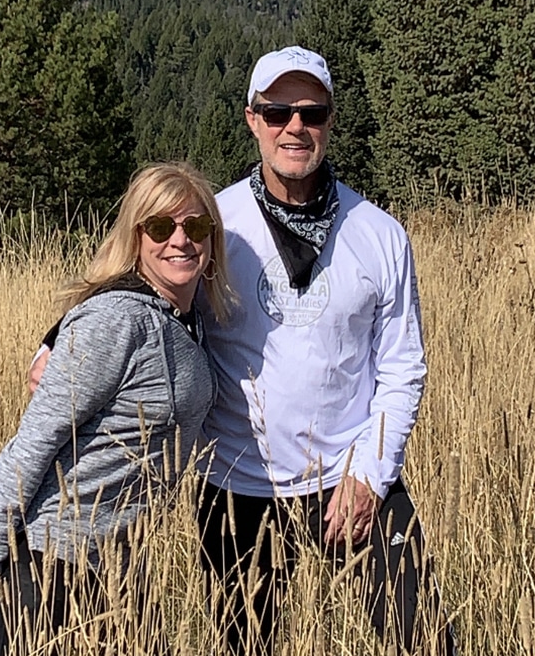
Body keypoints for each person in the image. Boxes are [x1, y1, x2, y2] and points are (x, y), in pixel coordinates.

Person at [196, 46, 457, 654]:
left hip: (354, 475)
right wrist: (59, 338)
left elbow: (402, 367)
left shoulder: (379, 233)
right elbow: (142, 288)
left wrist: (370, 475)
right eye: (278, 111)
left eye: (311, 113)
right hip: (238, 486)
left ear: (331, 120)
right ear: (252, 119)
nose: (295, 127)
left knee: (422, 638)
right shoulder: (217, 223)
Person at [0, 161, 232, 655]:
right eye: (162, 227)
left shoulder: (189, 317)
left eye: (197, 226)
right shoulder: (116, 320)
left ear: (213, 240)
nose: (181, 240)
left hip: (120, 566)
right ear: (137, 237)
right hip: (52, 566)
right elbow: (34, 443)